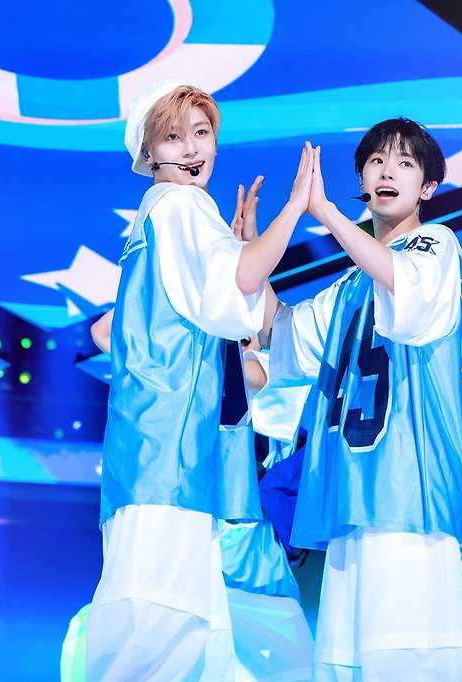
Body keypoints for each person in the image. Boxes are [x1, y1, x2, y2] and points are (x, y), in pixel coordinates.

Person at [84, 79, 315, 682]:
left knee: (165, 635)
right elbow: (242, 290)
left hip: (153, 459)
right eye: (172, 136)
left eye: (201, 132)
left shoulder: (151, 221)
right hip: (173, 460)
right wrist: (295, 208)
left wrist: (232, 248)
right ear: (149, 151)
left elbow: (118, 330)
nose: (190, 148)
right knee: (162, 638)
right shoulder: (182, 207)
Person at [256, 118, 462, 680]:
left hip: (408, 498)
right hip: (352, 504)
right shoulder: (350, 285)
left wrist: (326, 213)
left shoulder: (437, 245)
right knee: (346, 664)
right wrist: (250, 257)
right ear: (362, 178)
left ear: (428, 186)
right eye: (376, 161)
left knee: (406, 658)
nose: (387, 171)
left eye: (405, 163)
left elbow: (405, 284)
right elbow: (279, 335)